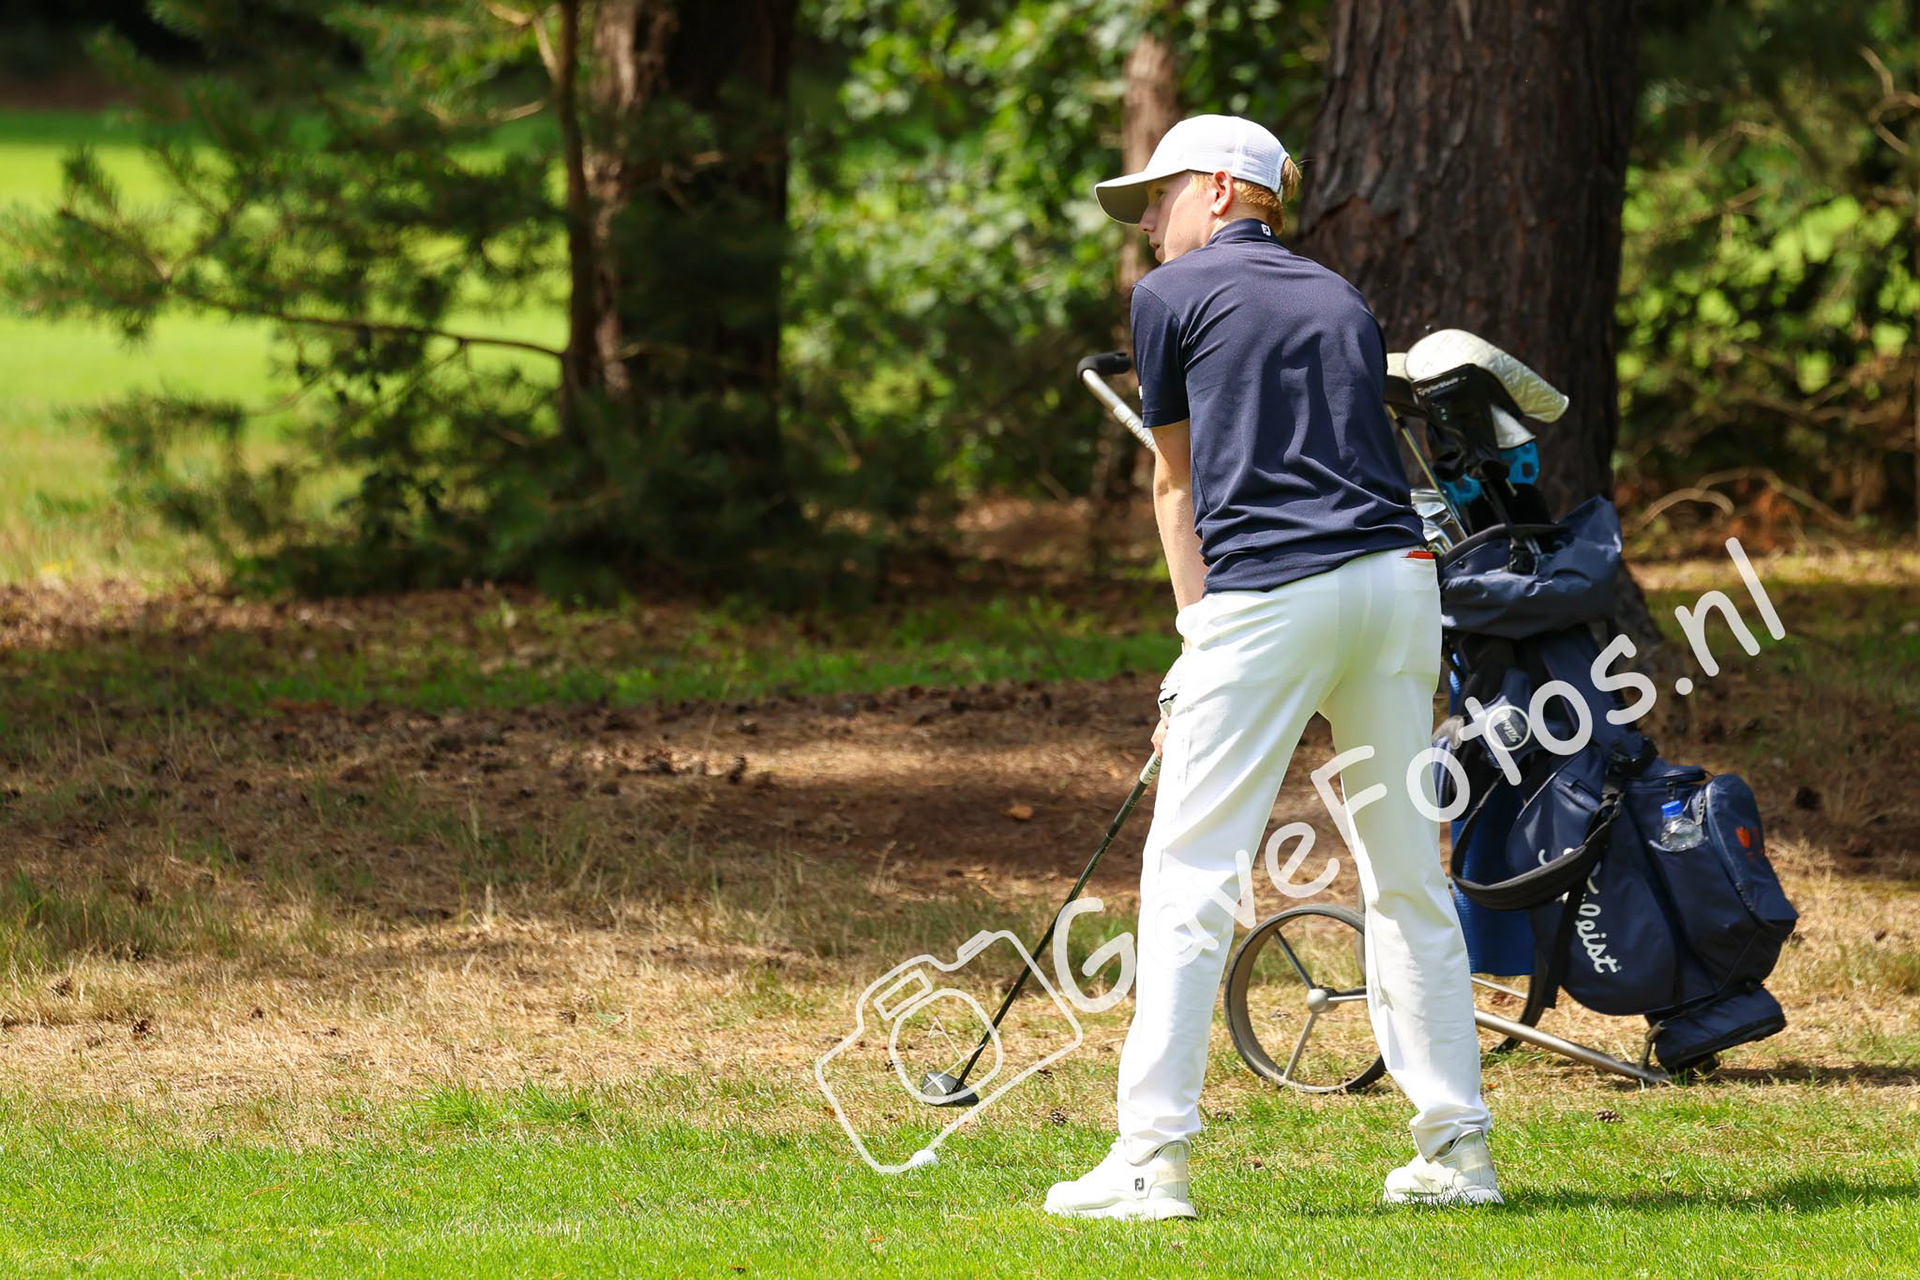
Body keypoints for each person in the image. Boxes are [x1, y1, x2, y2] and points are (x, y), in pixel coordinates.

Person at [1043, 115, 1499, 1221]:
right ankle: (1457, 1149)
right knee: (1405, 875)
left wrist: (1191, 656)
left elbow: (1175, 488)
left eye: (1157, 199)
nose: (1148, 226)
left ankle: (1152, 1160)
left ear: (1216, 188)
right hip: (1397, 590)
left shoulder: (1167, 300)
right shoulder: (1341, 296)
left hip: (1273, 599)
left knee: (1192, 870)